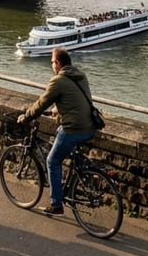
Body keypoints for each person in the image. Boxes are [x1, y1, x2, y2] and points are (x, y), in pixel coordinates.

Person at [18, 47, 97, 216]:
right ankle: (74, 185)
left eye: (52, 62)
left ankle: (56, 205)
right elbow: (74, 101)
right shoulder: (80, 76)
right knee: (70, 156)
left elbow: (41, 103)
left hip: (73, 129)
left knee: (52, 161)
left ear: (58, 63)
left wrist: (26, 117)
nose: (51, 65)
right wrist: (57, 110)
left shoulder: (58, 81)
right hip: (90, 127)